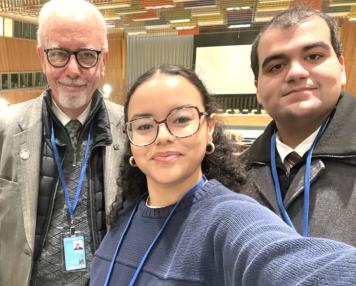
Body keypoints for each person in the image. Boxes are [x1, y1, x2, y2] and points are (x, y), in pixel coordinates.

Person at [89, 64, 356, 285]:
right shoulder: (127, 214)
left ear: (209, 129)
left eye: (181, 119)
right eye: (145, 125)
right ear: (130, 140)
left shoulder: (229, 218)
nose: (163, 136)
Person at [0, 0, 126, 285]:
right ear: (41, 57)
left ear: (103, 60)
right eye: (59, 54)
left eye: (87, 55)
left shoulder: (131, 130)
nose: (73, 69)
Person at [243, 6, 356, 245]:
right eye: (276, 67)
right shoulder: (235, 173)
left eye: (314, 56)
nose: (295, 73)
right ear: (258, 89)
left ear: (341, 68)